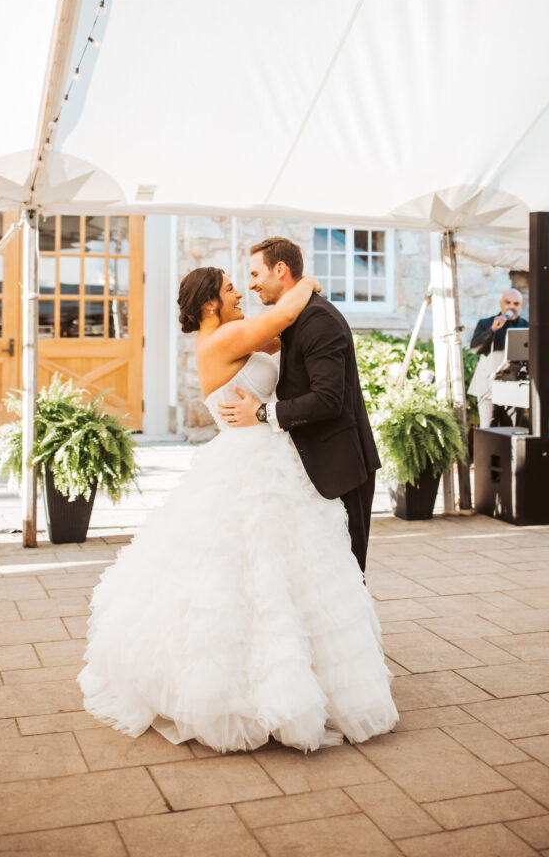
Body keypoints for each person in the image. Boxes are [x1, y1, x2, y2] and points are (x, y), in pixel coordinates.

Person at [78, 265, 397, 753]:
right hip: (249, 461)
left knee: (284, 572)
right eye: (231, 288)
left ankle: (294, 678)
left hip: (271, 454)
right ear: (210, 303)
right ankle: (255, 690)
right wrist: (307, 283)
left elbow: (283, 340)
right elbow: (284, 315)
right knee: (251, 571)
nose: (240, 293)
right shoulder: (222, 338)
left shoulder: (234, 336)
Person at [218, 237, 380, 575]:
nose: (250, 285)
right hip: (312, 465)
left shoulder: (318, 320)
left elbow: (328, 399)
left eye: (255, 274)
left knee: (347, 576)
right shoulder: (294, 318)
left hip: (340, 467)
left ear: (280, 269)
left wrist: (261, 413)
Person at [468, 289, 529, 427]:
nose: (511, 306)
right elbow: (475, 349)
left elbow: (535, 353)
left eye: (516, 304)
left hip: (515, 385)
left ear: (521, 305)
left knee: (512, 430)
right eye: (508, 302)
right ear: (501, 303)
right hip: (488, 386)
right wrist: (492, 330)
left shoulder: (526, 326)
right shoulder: (485, 323)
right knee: (488, 430)